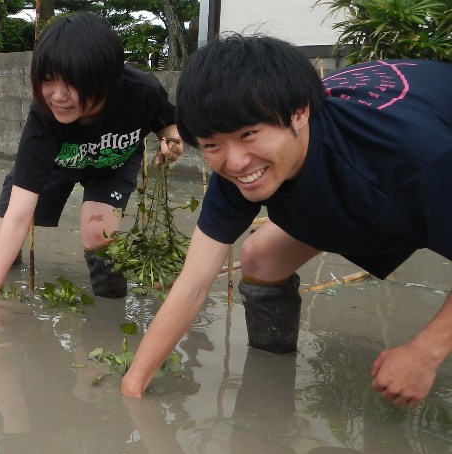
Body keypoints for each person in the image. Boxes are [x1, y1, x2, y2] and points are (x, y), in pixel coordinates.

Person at [121, 34, 452, 409]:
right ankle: (271, 379)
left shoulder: (413, 157)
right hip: (361, 175)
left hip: (415, 160)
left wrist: (425, 352)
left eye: (249, 135)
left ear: (300, 112)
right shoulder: (235, 168)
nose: (236, 162)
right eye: (212, 145)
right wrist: (134, 385)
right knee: (261, 256)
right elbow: (193, 284)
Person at [0, 13, 182, 329]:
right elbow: (19, 214)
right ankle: (9, 301)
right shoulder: (44, 116)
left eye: (72, 82)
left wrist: (172, 142)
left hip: (111, 162)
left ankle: (109, 316)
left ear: (105, 78)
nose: (58, 95)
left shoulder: (142, 91)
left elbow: (168, 124)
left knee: (99, 232)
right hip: (57, 163)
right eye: (48, 79)